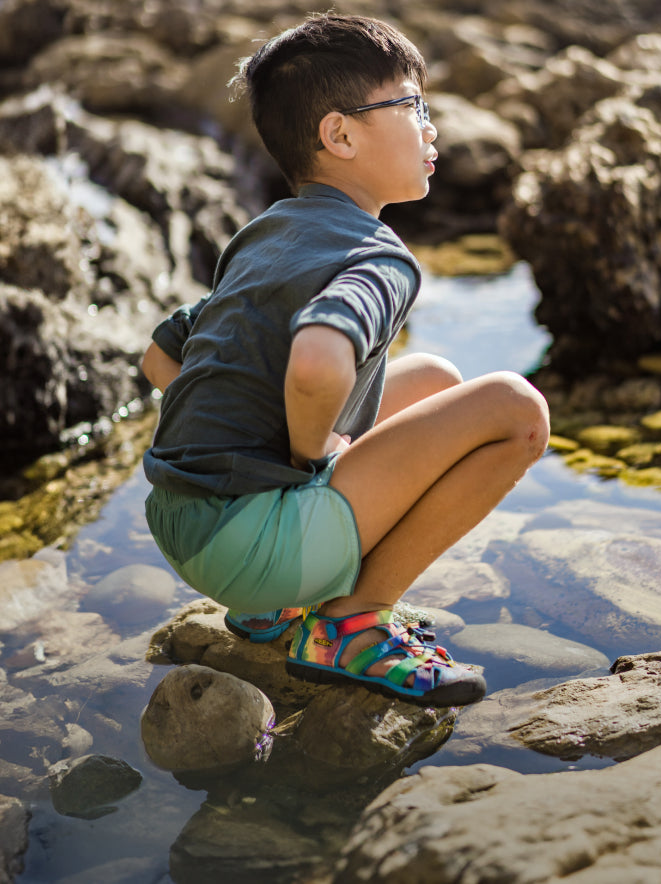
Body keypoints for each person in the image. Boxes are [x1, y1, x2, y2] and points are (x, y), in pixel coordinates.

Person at [140, 12, 550, 708]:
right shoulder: (376, 255)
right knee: (517, 410)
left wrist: (242, 449)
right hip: (256, 548)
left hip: (182, 523)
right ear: (340, 133)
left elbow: (159, 355)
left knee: (438, 383)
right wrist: (306, 458)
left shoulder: (266, 233)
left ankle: (273, 611)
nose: (432, 127)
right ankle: (349, 625)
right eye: (413, 105)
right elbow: (315, 365)